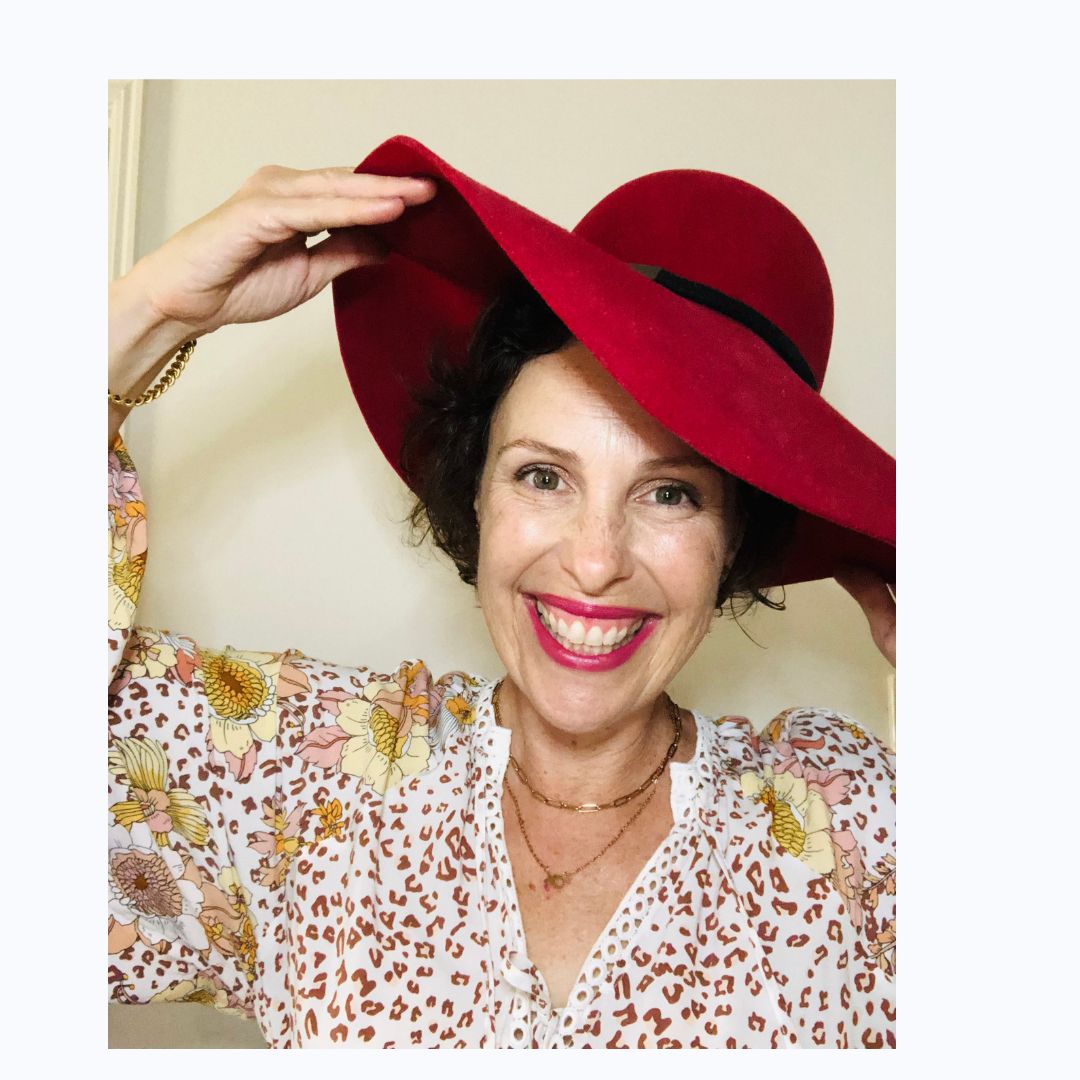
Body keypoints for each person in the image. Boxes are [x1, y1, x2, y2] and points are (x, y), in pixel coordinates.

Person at [108, 136, 896, 1048]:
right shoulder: (296, 777)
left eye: (670, 494)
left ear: (733, 544)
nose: (595, 562)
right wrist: (139, 320)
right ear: (475, 493)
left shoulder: (854, 834)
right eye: (543, 477)